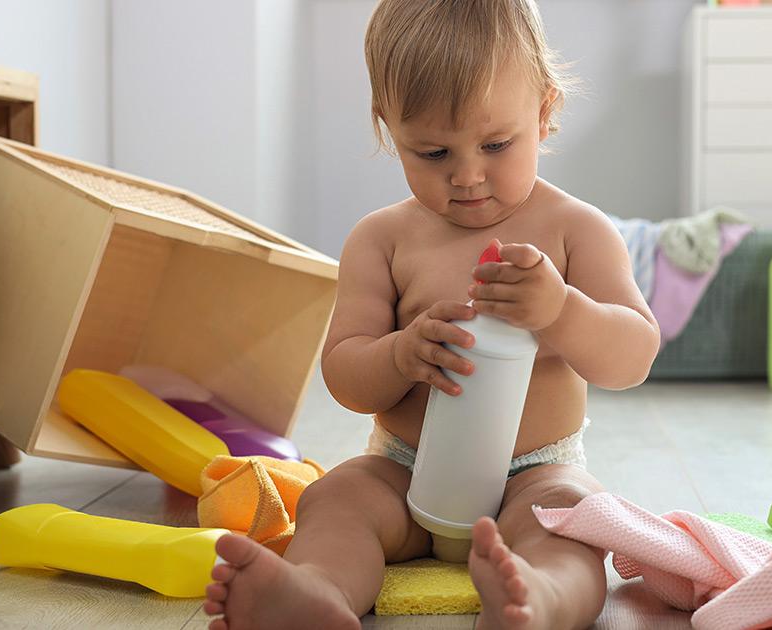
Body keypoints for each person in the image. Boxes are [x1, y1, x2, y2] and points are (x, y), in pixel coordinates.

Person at [204, 1, 659, 628]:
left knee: (576, 518)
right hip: (405, 467)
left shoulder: (576, 230)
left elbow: (633, 357)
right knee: (335, 499)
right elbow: (344, 373)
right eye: (433, 154)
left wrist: (562, 310)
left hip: (534, 472)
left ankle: (540, 597)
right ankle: (317, 594)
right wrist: (399, 353)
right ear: (388, 128)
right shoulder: (382, 239)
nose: (468, 176)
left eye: (496, 144)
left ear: (545, 111)